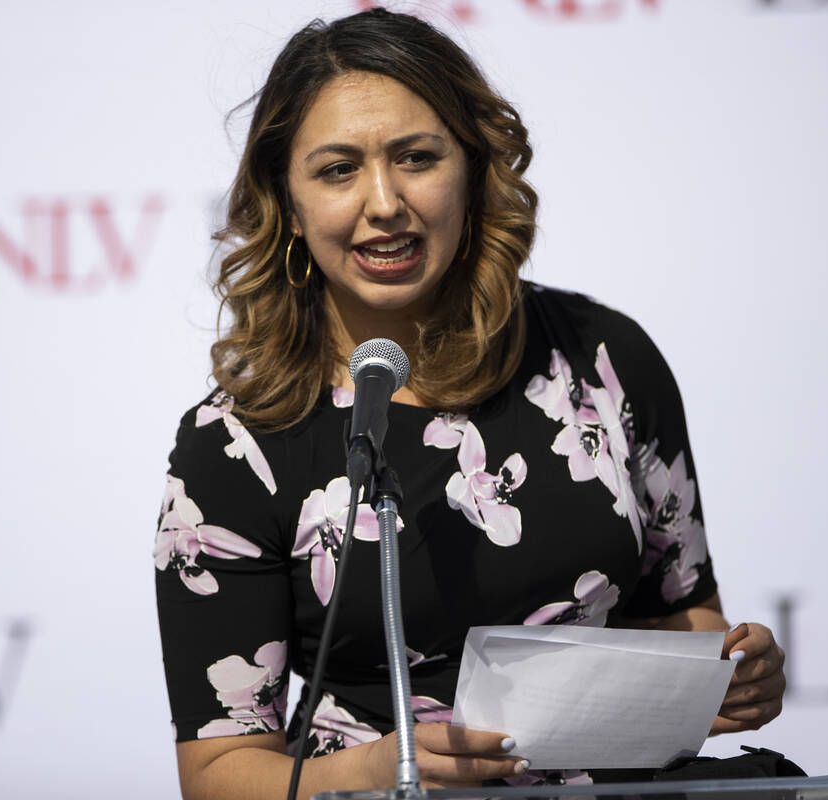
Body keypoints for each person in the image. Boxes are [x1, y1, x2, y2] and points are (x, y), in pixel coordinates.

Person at [153, 8, 785, 799]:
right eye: (338, 169)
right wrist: (385, 770)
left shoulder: (601, 358)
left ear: (475, 168)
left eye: (417, 158)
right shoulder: (233, 444)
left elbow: (681, 616)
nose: (384, 203)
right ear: (288, 199)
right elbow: (217, 773)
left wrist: (735, 673)